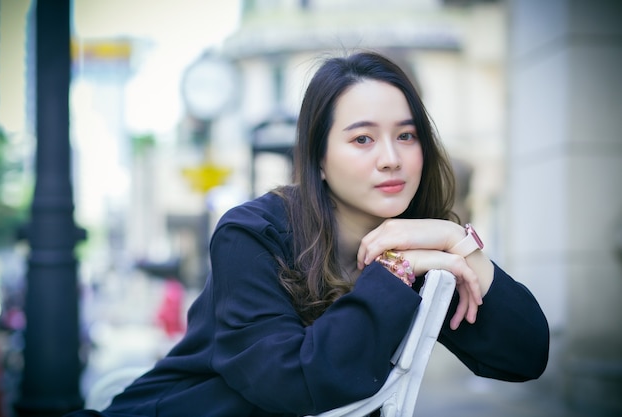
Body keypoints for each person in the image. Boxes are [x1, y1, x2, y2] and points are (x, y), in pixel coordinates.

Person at [67, 51, 549, 417]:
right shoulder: (251, 234)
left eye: (406, 135)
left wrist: (461, 245)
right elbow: (292, 383)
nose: (391, 158)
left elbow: (524, 356)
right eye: (362, 138)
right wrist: (394, 271)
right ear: (318, 158)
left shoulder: (422, 244)